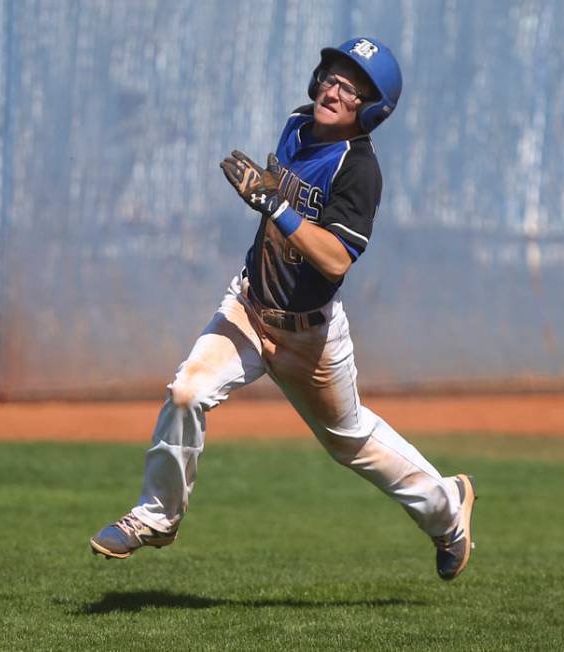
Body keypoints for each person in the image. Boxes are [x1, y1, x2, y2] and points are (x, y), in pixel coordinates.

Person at [90, 37, 476, 581]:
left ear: (371, 107)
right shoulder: (296, 126)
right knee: (186, 391)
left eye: (350, 87)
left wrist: (276, 203)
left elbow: (336, 260)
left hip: (310, 338)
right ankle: (155, 517)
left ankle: (447, 512)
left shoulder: (359, 169)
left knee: (351, 444)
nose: (333, 90)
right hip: (249, 305)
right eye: (331, 77)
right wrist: (274, 201)